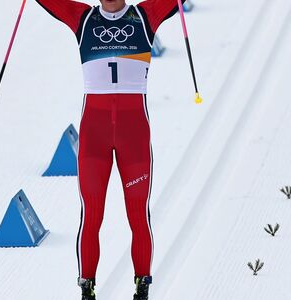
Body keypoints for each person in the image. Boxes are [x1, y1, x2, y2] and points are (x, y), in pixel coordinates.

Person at [34, 0, 186, 299]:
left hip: (134, 136)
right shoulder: (83, 18)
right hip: (94, 137)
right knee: (91, 215)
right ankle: (86, 288)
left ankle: (142, 287)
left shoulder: (144, 15)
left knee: (138, 214)